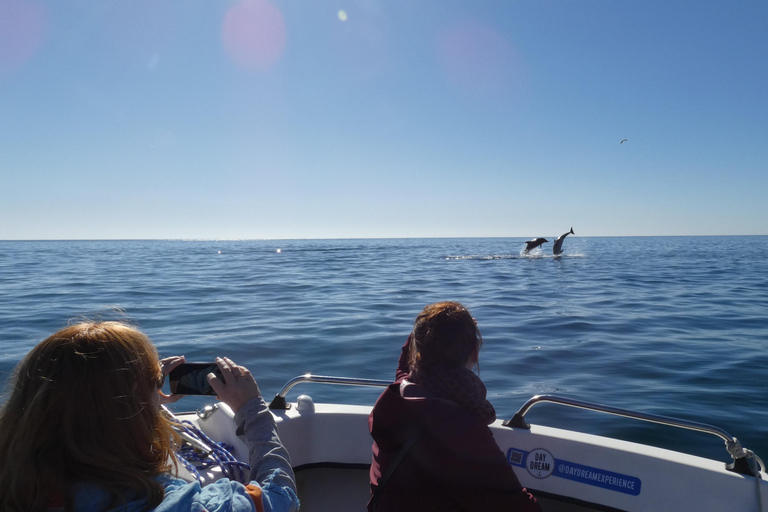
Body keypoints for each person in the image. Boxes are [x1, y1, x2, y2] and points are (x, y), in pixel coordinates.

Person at [0, 321, 299, 512]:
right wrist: (252, 410)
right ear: (129, 410)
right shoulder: (175, 504)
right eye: (155, 383)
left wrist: (145, 396)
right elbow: (280, 496)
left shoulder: (17, 482)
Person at [368, 302, 542, 512]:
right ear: (475, 352)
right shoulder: (463, 432)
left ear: (418, 352)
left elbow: (404, 367)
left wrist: (429, 331)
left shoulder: (399, 396)